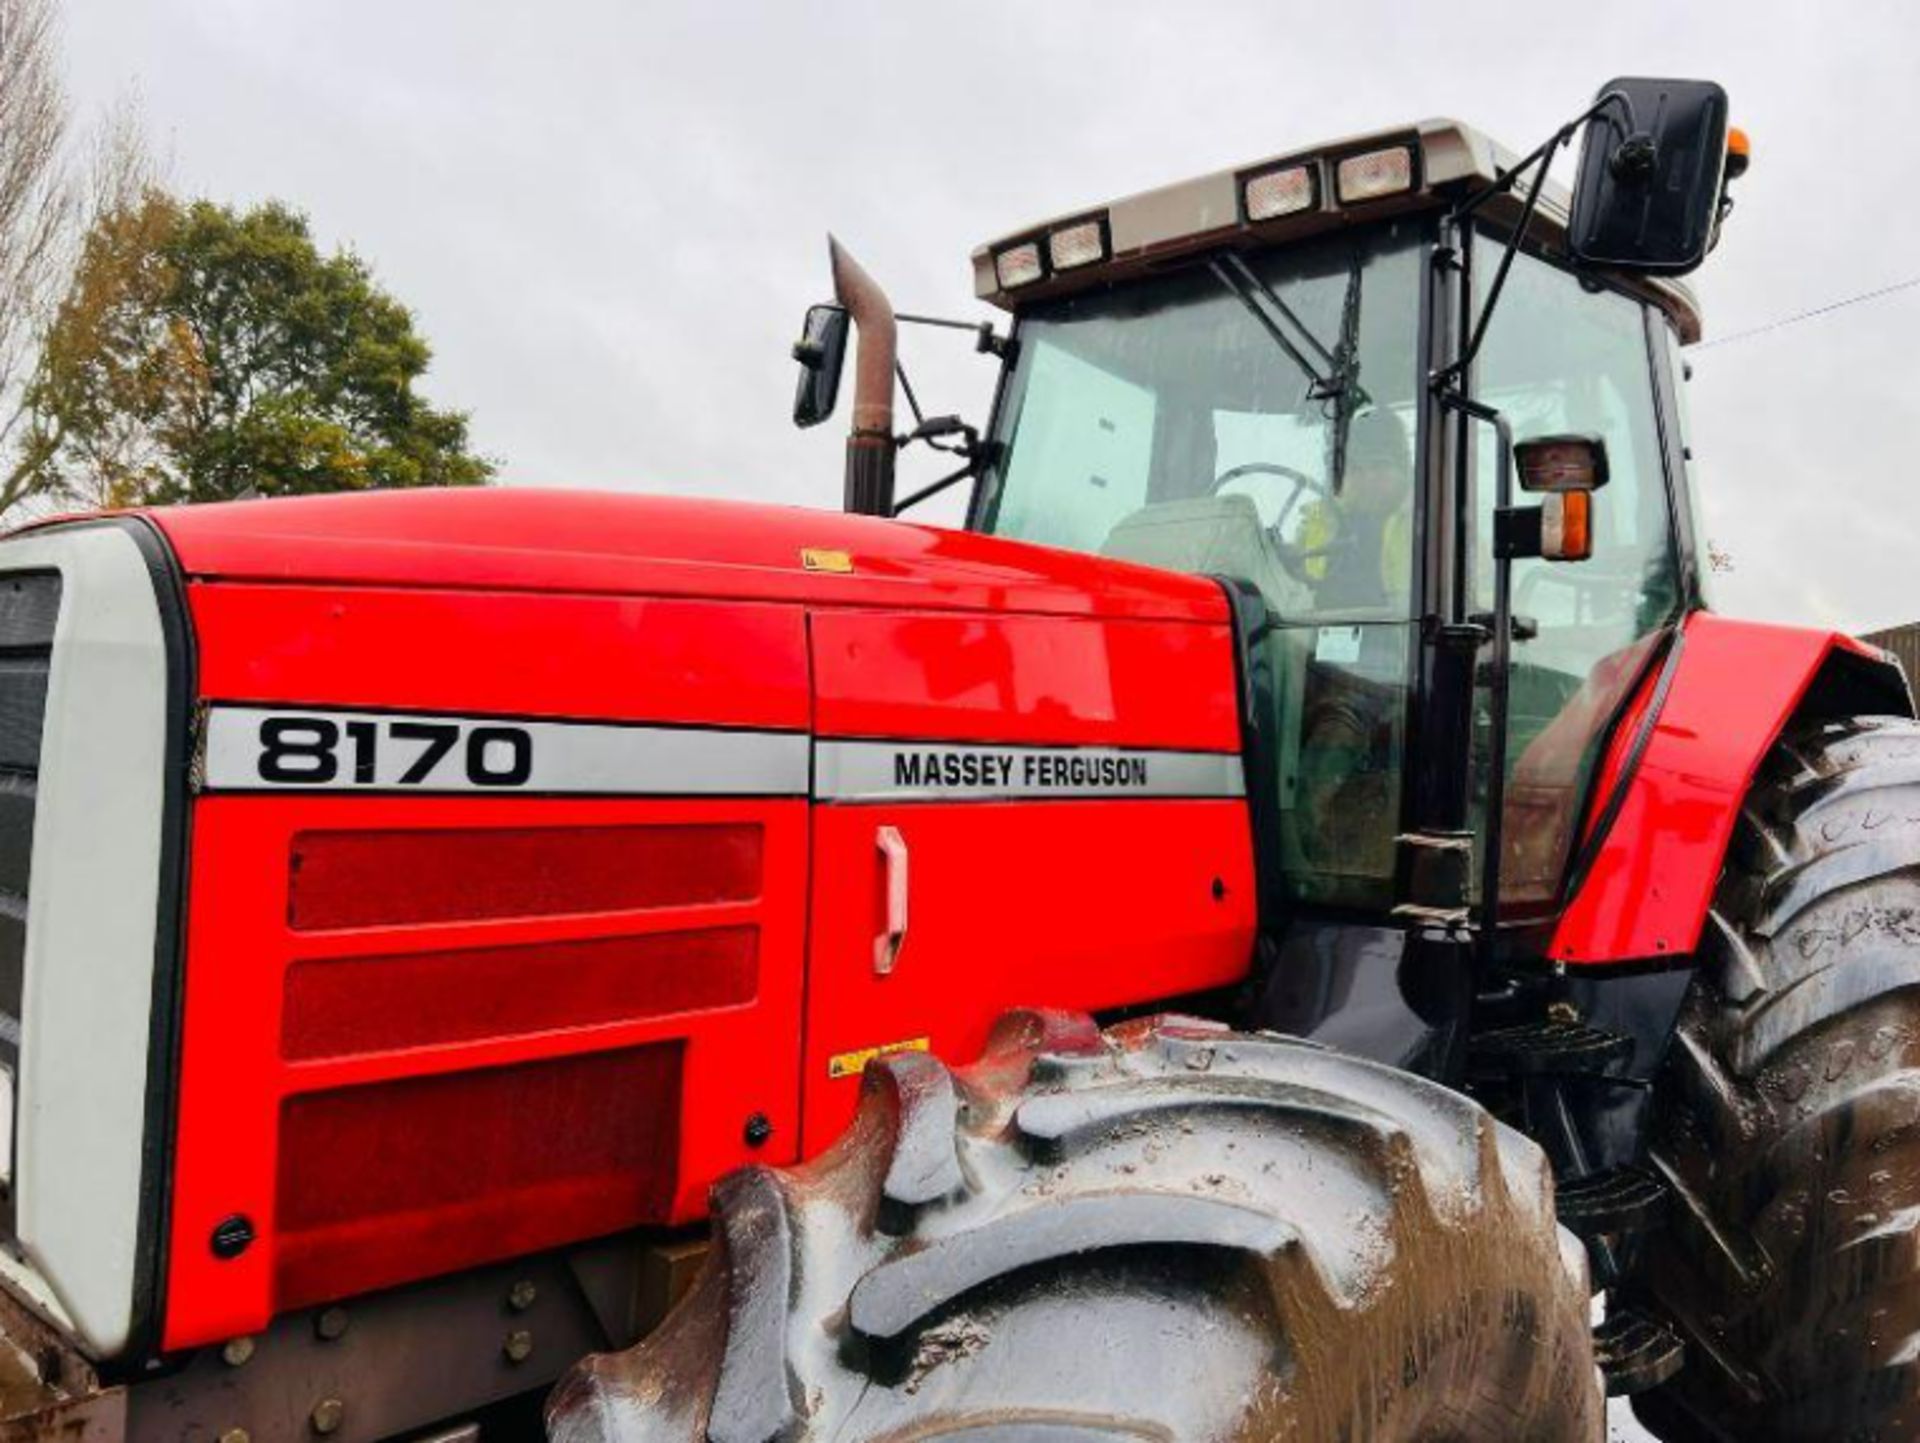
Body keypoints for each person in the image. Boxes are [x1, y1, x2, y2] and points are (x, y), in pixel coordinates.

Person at [1291, 409, 1414, 611]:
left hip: (1402, 641)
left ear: (1404, 471)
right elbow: (1289, 597)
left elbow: (1477, 598)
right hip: (1318, 638)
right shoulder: (1317, 525)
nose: (1368, 479)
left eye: (1380, 466)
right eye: (1355, 468)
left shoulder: (1434, 531)